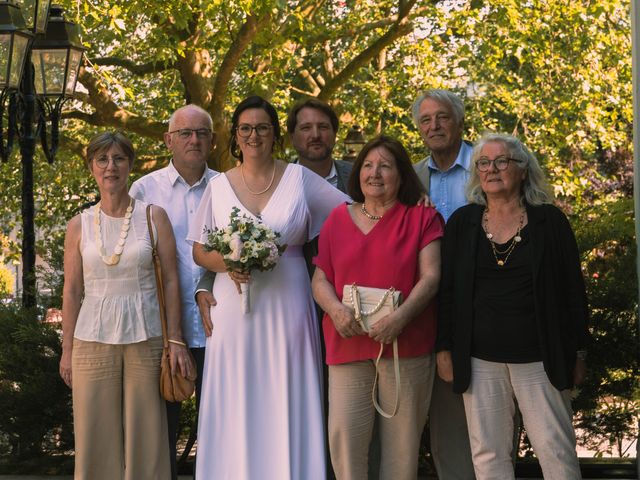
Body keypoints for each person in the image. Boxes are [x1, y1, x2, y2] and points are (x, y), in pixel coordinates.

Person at [188, 95, 349, 479]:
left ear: (275, 133)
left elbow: (354, 212)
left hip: (289, 301)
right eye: (246, 128)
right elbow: (198, 249)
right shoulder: (219, 184)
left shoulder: (299, 179)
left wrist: (412, 203)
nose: (254, 135)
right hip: (232, 303)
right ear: (236, 135)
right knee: (236, 395)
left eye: (262, 127)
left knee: (287, 392)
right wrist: (229, 262)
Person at [437, 132, 588, 479]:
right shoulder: (462, 223)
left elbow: (573, 291)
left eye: (502, 161)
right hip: (479, 359)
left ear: (522, 170)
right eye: (484, 163)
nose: (492, 169)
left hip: (541, 356)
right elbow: (447, 293)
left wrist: (579, 352)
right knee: (488, 455)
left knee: (556, 450)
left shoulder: (550, 221)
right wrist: (444, 348)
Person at [59, 132, 193, 479]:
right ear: (91, 167)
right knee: (94, 436)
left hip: (146, 338)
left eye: (118, 158)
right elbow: (72, 291)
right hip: (91, 342)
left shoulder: (153, 217)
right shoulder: (78, 225)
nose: (110, 167)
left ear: (130, 165)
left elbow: (170, 281)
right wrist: (67, 348)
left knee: (147, 436)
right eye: (102, 159)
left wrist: (175, 339)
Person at [312, 135, 444, 479]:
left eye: (385, 165)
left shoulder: (422, 218)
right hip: (347, 343)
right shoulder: (337, 219)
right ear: (357, 173)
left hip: (405, 346)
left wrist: (399, 319)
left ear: (401, 174)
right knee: (345, 442)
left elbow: (431, 278)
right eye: (368, 165)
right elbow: (319, 279)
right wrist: (336, 311)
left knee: (401, 451)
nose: (375, 173)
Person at [129, 104, 218, 479]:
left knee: (219, 427)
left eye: (201, 133)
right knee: (159, 431)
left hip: (218, 326)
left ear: (213, 141)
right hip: (162, 330)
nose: (193, 140)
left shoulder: (228, 187)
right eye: (185, 133)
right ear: (169, 140)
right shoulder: (143, 191)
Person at [411, 88, 475, 479]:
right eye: (425, 120)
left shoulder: (489, 163)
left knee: (492, 416)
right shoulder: (411, 178)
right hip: (432, 309)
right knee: (447, 421)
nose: (434, 126)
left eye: (442, 117)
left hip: (487, 305)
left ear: (459, 121)